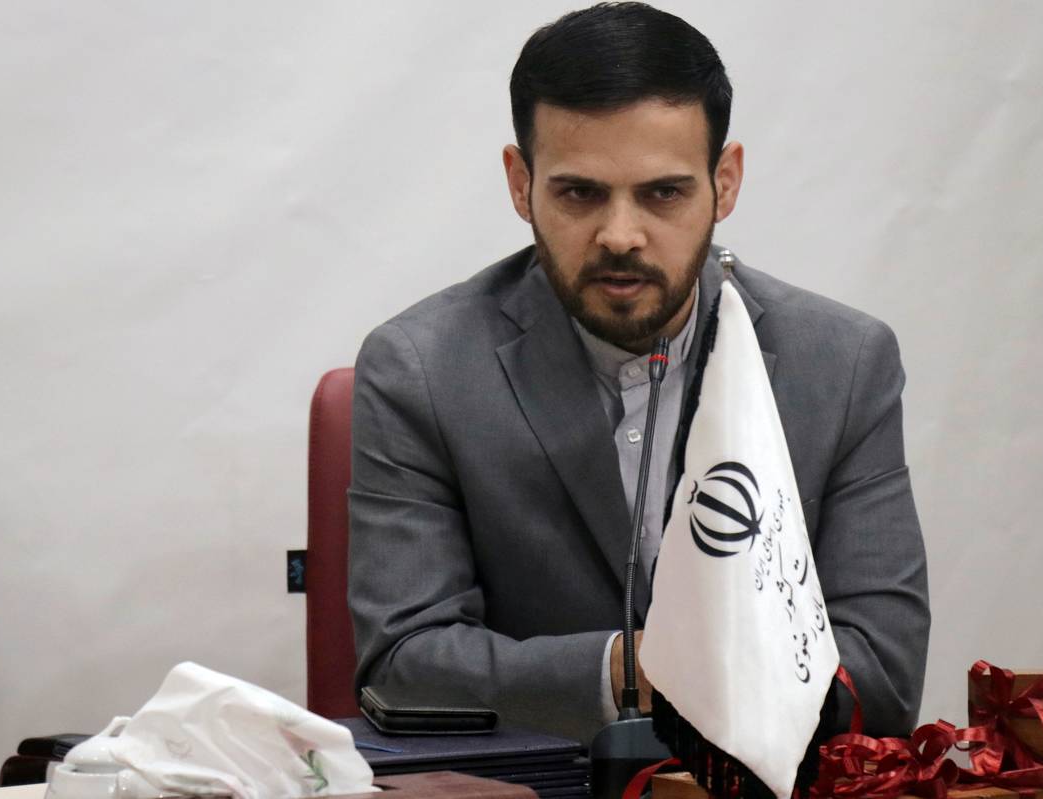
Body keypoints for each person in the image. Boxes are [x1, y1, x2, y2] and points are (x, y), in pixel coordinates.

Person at [347, 2, 929, 748]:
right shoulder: (421, 369)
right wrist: (631, 671)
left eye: (664, 193)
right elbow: (401, 666)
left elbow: (883, 675)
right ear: (521, 184)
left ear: (725, 181)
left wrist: (697, 674)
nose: (621, 236)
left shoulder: (842, 363)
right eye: (580, 193)